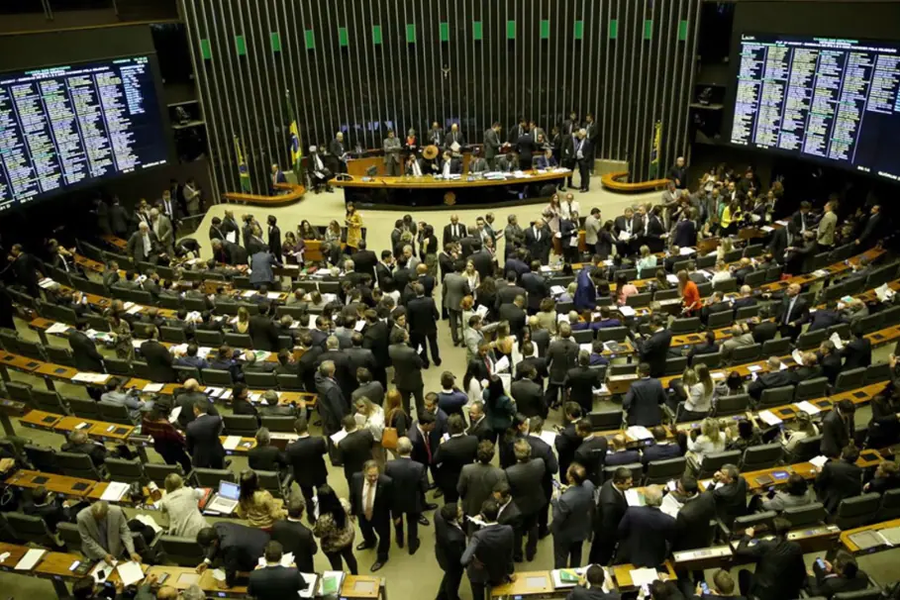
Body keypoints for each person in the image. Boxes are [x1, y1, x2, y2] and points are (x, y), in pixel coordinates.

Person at [734, 518, 806, 600]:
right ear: (787, 532)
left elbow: (740, 551)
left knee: (743, 573)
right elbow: (801, 572)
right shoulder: (796, 547)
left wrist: (748, 536)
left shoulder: (765, 545)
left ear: (771, 532)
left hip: (764, 595)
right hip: (788, 593)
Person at [461, 498, 516, 600]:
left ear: (483, 515)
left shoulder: (478, 535)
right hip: (498, 570)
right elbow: (509, 553)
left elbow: (464, 559)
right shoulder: (508, 530)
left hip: (480, 574)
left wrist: (474, 560)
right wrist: (511, 571)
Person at [504, 439, 546, 562]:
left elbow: (508, 490)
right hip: (536, 501)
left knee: (517, 531)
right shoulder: (540, 463)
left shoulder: (510, 472)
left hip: (518, 506)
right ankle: (531, 551)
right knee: (533, 527)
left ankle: (517, 554)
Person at [196, 522, 270, 589]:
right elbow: (215, 546)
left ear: (213, 541)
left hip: (260, 550)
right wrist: (206, 562)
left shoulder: (228, 545)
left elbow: (230, 566)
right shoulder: (217, 525)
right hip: (258, 535)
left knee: (237, 572)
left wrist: (228, 583)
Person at [616, 485, 675, 568]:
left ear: (645, 499)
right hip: (654, 558)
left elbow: (621, 531)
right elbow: (671, 540)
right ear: (661, 501)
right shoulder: (669, 520)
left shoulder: (632, 511)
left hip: (629, 554)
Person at [349, 460, 392, 572]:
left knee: (384, 536)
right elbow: (353, 495)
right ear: (364, 473)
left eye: (375, 475)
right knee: (365, 529)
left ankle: (382, 557)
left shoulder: (386, 482)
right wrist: (352, 512)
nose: (373, 478)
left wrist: (396, 516)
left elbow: (393, 501)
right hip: (362, 514)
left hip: (380, 516)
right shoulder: (356, 478)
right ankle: (370, 541)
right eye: (370, 476)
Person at [551, 463, 595, 568]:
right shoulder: (589, 485)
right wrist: (569, 489)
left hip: (564, 534)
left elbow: (557, 517)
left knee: (561, 558)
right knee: (576, 555)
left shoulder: (565, 500)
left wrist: (554, 500)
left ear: (571, 478)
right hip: (581, 529)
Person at [285, 416, 328, 521]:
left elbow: (288, 461)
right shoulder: (318, 441)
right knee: (323, 492)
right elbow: (325, 451)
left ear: (295, 430)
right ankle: (325, 511)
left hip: (303, 475)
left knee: (308, 498)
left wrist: (288, 446)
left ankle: (311, 516)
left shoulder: (291, 447)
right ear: (307, 426)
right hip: (319, 472)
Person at [458, 440, 507, 527]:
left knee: (471, 528)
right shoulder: (500, 473)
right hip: (489, 509)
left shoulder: (466, 469)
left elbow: (460, 488)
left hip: (470, 505)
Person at [589, 466, 631, 565]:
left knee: (595, 551)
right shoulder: (611, 504)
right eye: (628, 483)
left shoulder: (609, 483)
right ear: (619, 483)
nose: (631, 485)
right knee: (602, 556)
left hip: (600, 525)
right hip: (606, 537)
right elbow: (608, 527)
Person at [313, 484, 358, 574]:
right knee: (349, 556)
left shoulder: (324, 519)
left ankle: (340, 580)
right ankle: (355, 574)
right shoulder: (344, 503)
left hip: (333, 545)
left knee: (336, 565)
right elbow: (350, 513)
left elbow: (319, 533)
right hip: (347, 537)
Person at [433, 415, 478, 503]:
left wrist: (441, 444)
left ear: (449, 428)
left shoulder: (444, 447)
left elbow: (435, 460)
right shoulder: (473, 440)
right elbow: (476, 456)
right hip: (468, 477)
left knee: (451, 503)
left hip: (450, 481)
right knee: (467, 502)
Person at [142, 400, 192, 473]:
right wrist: (184, 443)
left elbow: (144, 432)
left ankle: (175, 474)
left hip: (159, 446)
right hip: (173, 447)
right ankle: (188, 475)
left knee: (170, 463)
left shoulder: (146, 417)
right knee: (186, 462)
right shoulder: (165, 424)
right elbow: (176, 438)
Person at [271, 498, 318, 574]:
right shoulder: (305, 532)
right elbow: (314, 550)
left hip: (283, 563)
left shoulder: (276, 525)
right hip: (303, 567)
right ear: (301, 514)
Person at [815, 444, 863, 513]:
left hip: (832, 499)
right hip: (849, 498)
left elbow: (818, 482)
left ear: (842, 454)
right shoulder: (858, 470)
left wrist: (819, 472)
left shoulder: (830, 466)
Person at [160, 473, 209, 538]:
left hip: (180, 536)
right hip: (201, 530)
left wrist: (165, 495)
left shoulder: (165, 500)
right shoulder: (189, 491)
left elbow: (161, 510)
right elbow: (202, 494)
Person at [435, 502, 467, 600]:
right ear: (454, 517)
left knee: (448, 576)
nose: (461, 508)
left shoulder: (438, 514)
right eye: (459, 510)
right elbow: (458, 556)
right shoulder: (454, 538)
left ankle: (441, 596)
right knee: (453, 581)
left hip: (441, 551)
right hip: (452, 562)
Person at [186, 398, 226, 469]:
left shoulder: (190, 426)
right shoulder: (216, 419)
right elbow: (218, 431)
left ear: (196, 410)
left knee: (204, 474)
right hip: (216, 451)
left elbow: (189, 444)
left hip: (200, 455)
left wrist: (193, 453)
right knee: (219, 470)